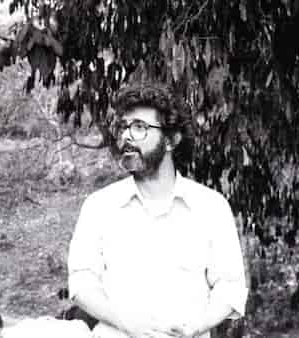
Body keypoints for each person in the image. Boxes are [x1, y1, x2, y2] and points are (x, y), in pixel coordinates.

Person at [67, 83, 248, 338]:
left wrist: (195, 327)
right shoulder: (99, 206)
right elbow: (81, 282)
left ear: (171, 140)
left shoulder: (211, 207)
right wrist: (126, 323)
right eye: (124, 127)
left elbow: (230, 288)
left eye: (140, 127)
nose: (127, 136)